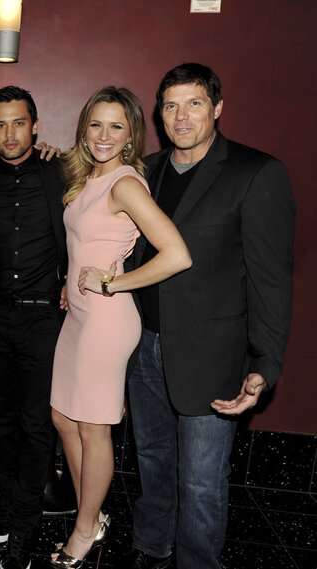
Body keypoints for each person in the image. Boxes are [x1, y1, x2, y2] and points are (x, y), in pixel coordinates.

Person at [120, 63, 295, 569]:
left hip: (211, 354)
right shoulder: (143, 172)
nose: (181, 116)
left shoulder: (256, 172)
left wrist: (264, 363)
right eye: (171, 105)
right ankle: (151, 545)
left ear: (217, 108)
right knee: (152, 458)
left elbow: (271, 280)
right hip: (144, 346)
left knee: (200, 479)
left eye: (194, 103)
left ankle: (197, 562)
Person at [49, 87, 191, 569]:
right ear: (83, 129)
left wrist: (112, 282)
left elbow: (177, 254)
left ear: (131, 134)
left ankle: (86, 528)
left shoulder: (125, 183)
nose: (104, 135)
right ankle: (92, 512)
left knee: (94, 426)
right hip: (79, 314)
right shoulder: (89, 177)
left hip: (107, 320)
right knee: (64, 419)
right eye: (95, 124)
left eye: (116, 126)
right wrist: (74, 282)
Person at [0, 86, 68, 569]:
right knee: (2, 418)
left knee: (35, 421)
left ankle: (26, 522)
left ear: (35, 125)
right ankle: (7, 503)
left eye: (18, 123)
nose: (10, 133)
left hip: (44, 317)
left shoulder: (62, 170)